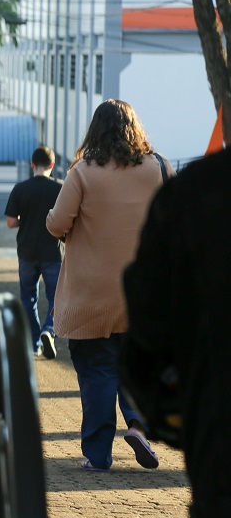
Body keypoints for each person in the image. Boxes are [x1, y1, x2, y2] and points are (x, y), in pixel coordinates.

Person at [46, 99, 173, 472]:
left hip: (92, 295)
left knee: (98, 372)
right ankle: (138, 426)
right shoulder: (161, 168)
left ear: (95, 130)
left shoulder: (83, 172)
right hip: (144, 294)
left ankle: (98, 455)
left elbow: (56, 225)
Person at [122, 147, 231, 518]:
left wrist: (173, 417)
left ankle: (99, 447)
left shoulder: (198, 192)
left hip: (222, 448)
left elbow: (148, 326)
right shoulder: (163, 171)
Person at [4, 146, 64, 358]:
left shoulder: (20, 189)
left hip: (27, 252)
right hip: (53, 252)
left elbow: (11, 222)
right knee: (57, 298)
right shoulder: (60, 189)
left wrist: (26, 220)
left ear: (32, 164)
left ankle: (34, 342)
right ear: (52, 165)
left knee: (28, 297)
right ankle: (49, 329)